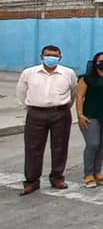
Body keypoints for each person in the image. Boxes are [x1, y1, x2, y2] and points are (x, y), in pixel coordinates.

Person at [16, 45, 77, 196]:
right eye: (48, 55)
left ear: (60, 57)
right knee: (33, 148)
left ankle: (57, 178)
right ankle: (31, 181)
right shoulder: (29, 73)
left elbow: (73, 92)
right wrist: (29, 107)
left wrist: (64, 106)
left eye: (55, 56)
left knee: (60, 147)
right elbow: (21, 92)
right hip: (36, 113)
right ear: (42, 56)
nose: (51, 58)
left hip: (60, 113)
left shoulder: (68, 73)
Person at [76, 51, 103, 188]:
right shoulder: (86, 78)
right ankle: (88, 174)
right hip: (90, 116)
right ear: (95, 63)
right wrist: (80, 115)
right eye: (101, 61)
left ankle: (97, 172)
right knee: (93, 144)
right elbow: (79, 97)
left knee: (101, 145)